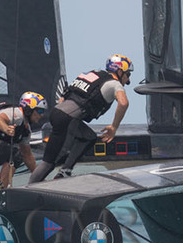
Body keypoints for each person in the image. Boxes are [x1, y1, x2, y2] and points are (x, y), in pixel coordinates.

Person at [28, 54, 131, 184]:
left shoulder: (91, 74)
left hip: (58, 113)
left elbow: (63, 97)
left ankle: (65, 172)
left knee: (89, 137)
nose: (128, 80)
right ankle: (29, 188)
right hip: (67, 119)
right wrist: (114, 127)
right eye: (128, 75)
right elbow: (123, 103)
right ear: (120, 71)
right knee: (49, 163)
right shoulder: (114, 84)